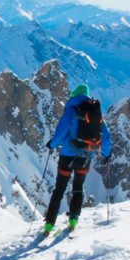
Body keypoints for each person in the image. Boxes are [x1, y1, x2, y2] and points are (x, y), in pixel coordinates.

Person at [43, 85, 108, 235]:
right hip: (86, 156)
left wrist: (52, 144)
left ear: (74, 96)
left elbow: (61, 131)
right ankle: (73, 220)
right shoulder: (95, 113)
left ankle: (49, 225)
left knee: (59, 188)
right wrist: (106, 153)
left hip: (67, 155)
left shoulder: (71, 111)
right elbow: (106, 135)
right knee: (78, 187)